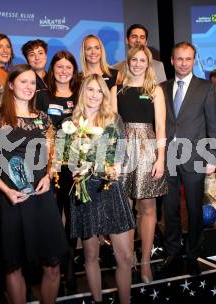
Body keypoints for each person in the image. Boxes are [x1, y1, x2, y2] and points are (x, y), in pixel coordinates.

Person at [0, 64, 68, 304]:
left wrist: (49, 176)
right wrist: (6, 190)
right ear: (11, 85)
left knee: (53, 266)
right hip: (11, 198)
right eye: (23, 82)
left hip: (42, 198)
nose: (29, 87)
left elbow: (53, 156)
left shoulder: (44, 119)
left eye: (33, 83)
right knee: (13, 267)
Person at [68, 74, 136, 303]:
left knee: (125, 257)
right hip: (84, 192)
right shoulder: (71, 123)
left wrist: (112, 167)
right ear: (82, 92)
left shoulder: (113, 119)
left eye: (99, 91)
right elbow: (67, 159)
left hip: (110, 190)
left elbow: (120, 153)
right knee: (90, 255)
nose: (94, 95)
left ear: (104, 95)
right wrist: (75, 167)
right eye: (90, 90)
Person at [159, 42, 216, 276]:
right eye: (179, 59)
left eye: (188, 59)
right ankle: (173, 252)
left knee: (195, 209)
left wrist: (212, 156)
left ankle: (193, 254)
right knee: (170, 209)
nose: (183, 63)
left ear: (194, 60)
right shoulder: (161, 88)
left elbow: (214, 126)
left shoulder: (205, 88)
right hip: (167, 158)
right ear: (172, 61)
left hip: (195, 157)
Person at [111, 45, 167, 284]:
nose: (137, 64)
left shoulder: (155, 90)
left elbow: (161, 126)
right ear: (128, 61)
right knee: (123, 208)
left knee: (147, 208)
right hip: (123, 150)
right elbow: (112, 127)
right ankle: (127, 257)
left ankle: (145, 262)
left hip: (148, 149)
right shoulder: (116, 90)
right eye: (133, 59)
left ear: (148, 63)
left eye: (142, 60)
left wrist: (161, 158)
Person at [36, 50, 80, 290]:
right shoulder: (42, 96)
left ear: (74, 71)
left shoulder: (81, 95)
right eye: (59, 67)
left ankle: (70, 270)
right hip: (50, 167)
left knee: (72, 220)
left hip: (74, 167)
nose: (64, 71)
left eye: (68, 67)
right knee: (52, 220)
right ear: (52, 70)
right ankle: (51, 267)